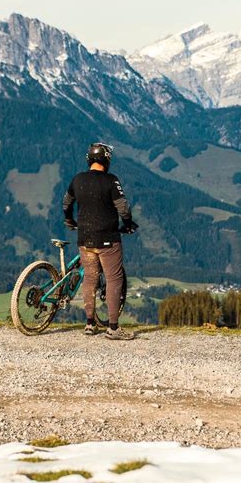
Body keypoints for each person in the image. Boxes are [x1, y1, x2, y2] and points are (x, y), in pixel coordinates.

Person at [63, 143, 138, 340]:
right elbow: (123, 208)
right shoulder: (112, 181)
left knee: (90, 278)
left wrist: (70, 220)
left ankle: (89, 324)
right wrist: (128, 223)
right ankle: (112, 328)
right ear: (106, 160)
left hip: (85, 238)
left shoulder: (77, 179)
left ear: (89, 159)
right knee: (114, 278)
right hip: (107, 238)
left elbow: (66, 203)